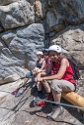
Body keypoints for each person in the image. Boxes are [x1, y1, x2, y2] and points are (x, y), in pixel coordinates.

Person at [36, 45, 78, 120]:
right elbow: (47, 72)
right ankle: (50, 96)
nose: (51, 57)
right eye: (50, 55)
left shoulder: (63, 60)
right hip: (61, 83)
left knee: (54, 82)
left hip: (70, 83)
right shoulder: (53, 62)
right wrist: (39, 74)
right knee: (49, 81)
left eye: (53, 55)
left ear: (58, 54)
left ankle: (57, 108)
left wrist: (42, 78)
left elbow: (59, 76)